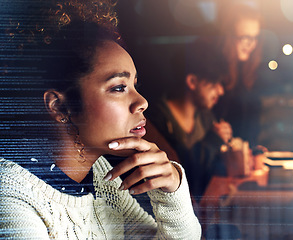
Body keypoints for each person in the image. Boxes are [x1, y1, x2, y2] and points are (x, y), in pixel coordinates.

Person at [0, 3, 201, 239]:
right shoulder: (11, 196)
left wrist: (172, 193)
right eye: (118, 87)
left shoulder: (102, 178)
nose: (142, 102)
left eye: (135, 85)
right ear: (59, 105)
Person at [146, 40, 232, 198]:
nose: (220, 91)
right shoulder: (156, 121)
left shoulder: (206, 119)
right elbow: (183, 176)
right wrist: (213, 141)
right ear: (192, 81)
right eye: (214, 83)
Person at [213, 3, 263, 150]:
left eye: (255, 38)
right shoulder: (215, 73)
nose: (251, 44)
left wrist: (254, 150)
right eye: (245, 37)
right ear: (229, 36)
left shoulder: (249, 71)